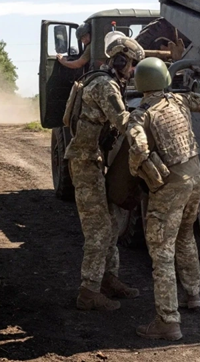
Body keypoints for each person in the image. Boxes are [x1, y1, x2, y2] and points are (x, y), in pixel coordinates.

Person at [126, 57, 200, 341]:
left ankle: (167, 321)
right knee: (185, 236)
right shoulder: (179, 101)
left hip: (170, 187)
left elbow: (138, 148)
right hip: (196, 177)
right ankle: (193, 294)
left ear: (140, 83)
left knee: (161, 251)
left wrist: (141, 169)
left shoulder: (140, 113)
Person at [64, 34, 146, 311]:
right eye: (132, 64)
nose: (133, 70)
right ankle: (88, 292)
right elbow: (123, 122)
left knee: (112, 223)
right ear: (121, 60)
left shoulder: (103, 80)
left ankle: (108, 279)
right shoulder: (105, 86)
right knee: (99, 229)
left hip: (95, 161)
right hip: (85, 163)